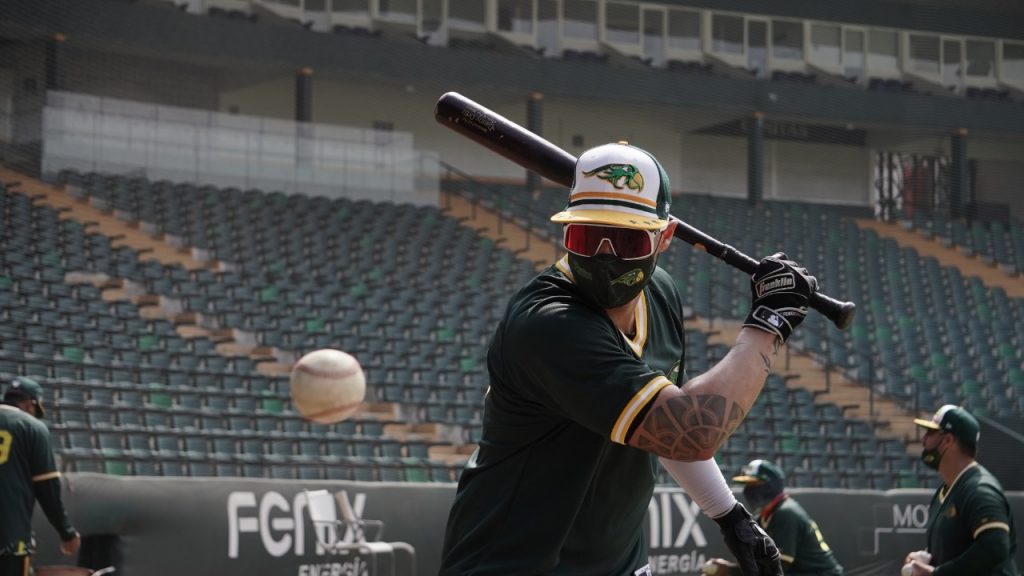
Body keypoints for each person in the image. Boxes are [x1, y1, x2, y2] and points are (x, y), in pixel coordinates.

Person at [440, 141, 819, 575]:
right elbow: (690, 429)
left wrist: (726, 511)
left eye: (626, 238)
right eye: (586, 235)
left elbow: (661, 424)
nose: (605, 254)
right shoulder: (548, 324)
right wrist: (768, 324)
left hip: (616, 562)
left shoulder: (660, 293)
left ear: (665, 237)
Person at [902, 404, 1019, 576]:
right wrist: (926, 560)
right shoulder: (948, 489)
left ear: (948, 441)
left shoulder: (980, 490)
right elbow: (957, 552)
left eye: (931, 433)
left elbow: (995, 547)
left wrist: (938, 574)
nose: (924, 440)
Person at [703, 459, 843, 575]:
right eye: (747, 485)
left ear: (771, 485)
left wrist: (729, 571)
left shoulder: (786, 513)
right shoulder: (762, 517)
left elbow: (778, 567)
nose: (748, 490)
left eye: (754, 484)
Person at [0, 376, 81, 576]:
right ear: (30, 404)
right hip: (9, 540)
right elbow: (47, 490)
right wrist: (67, 532)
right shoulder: (32, 427)